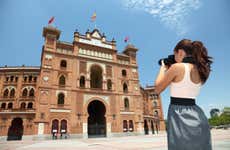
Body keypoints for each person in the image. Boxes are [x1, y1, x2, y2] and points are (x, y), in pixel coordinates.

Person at [154, 39, 213, 150]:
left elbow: (157, 89)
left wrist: (163, 67)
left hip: (179, 116)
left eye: (175, 54)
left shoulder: (177, 67)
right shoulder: (201, 70)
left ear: (180, 52)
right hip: (197, 114)